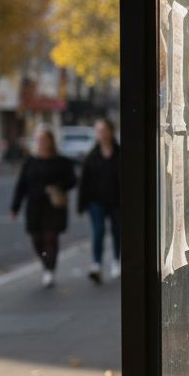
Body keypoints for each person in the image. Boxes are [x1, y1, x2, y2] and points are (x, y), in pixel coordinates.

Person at [11, 127, 78, 288]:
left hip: (53, 207)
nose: (41, 143)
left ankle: (50, 269)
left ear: (51, 141)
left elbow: (73, 180)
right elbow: (21, 185)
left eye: (44, 139)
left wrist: (57, 187)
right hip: (34, 206)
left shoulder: (61, 162)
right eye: (39, 140)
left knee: (51, 238)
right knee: (37, 240)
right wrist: (15, 207)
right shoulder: (30, 162)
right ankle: (45, 262)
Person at [77, 119, 122, 284]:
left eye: (104, 130)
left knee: (118, 231)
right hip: (96, 201)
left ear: (110, 131)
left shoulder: (120, 154)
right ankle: (96, 265)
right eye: (98, 131)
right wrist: (81, 205)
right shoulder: (91, 157)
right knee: (98, 231)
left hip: (117, 200)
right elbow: (84, 183)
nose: (101, 134)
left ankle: (116, 261)